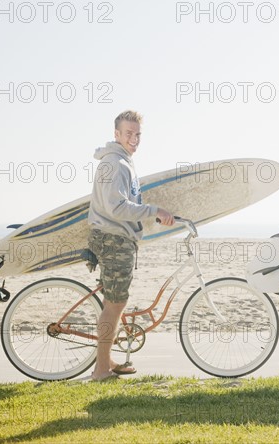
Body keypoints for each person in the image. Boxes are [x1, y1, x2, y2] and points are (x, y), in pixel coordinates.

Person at [88, 110, 175, 381]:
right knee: (115, 304)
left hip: (114, 237)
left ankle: (107, 359)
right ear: (116, 134)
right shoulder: (116, 164)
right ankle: (101, 370)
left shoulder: (120, 161)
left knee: (113, 302)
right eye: (129, 133)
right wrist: (154, 211)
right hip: (113, 239)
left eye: (138, 134)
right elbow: (116, 207)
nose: (134, 139)